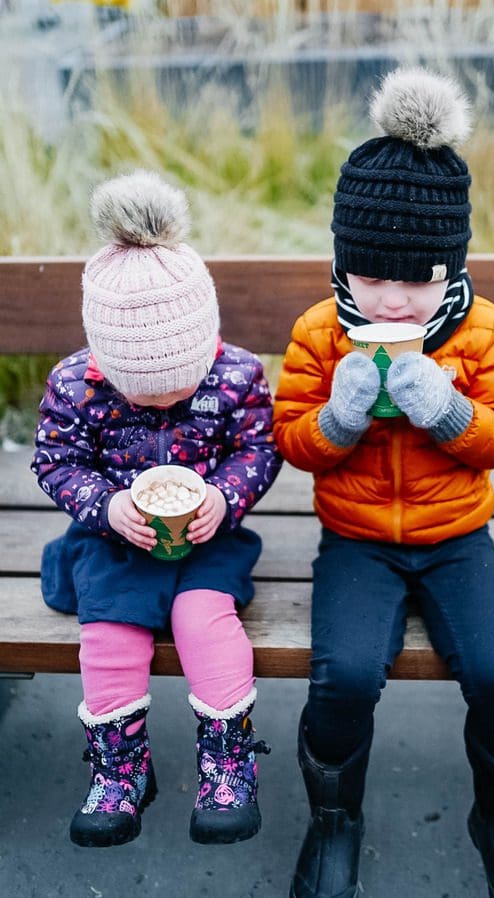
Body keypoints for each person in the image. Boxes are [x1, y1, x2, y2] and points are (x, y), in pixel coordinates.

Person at [273, 68, 494, 898]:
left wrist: (449, 409)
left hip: (458, 536)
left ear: (451, 268)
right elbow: (293, 441)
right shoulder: (322, 332)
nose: (393, 297)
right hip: (357, 540)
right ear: (342, 262)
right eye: (370, 277)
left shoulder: (484, 328)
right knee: (347, 674)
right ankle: (334, 822)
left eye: (417, 279)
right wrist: (338, 417)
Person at [32, 170, 282, 849]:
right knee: (110, 626)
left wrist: (224, 496)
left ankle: (227, 758)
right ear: (104, 360)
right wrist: (105, 506)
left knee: (204, 618)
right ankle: (121, 767)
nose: (164, 402)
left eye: (180, 386)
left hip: (209, 535)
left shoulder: (236, 375)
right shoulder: (73, 385)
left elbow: (259, 447)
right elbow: (55, 462)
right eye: (143, 395)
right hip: (114, 537)